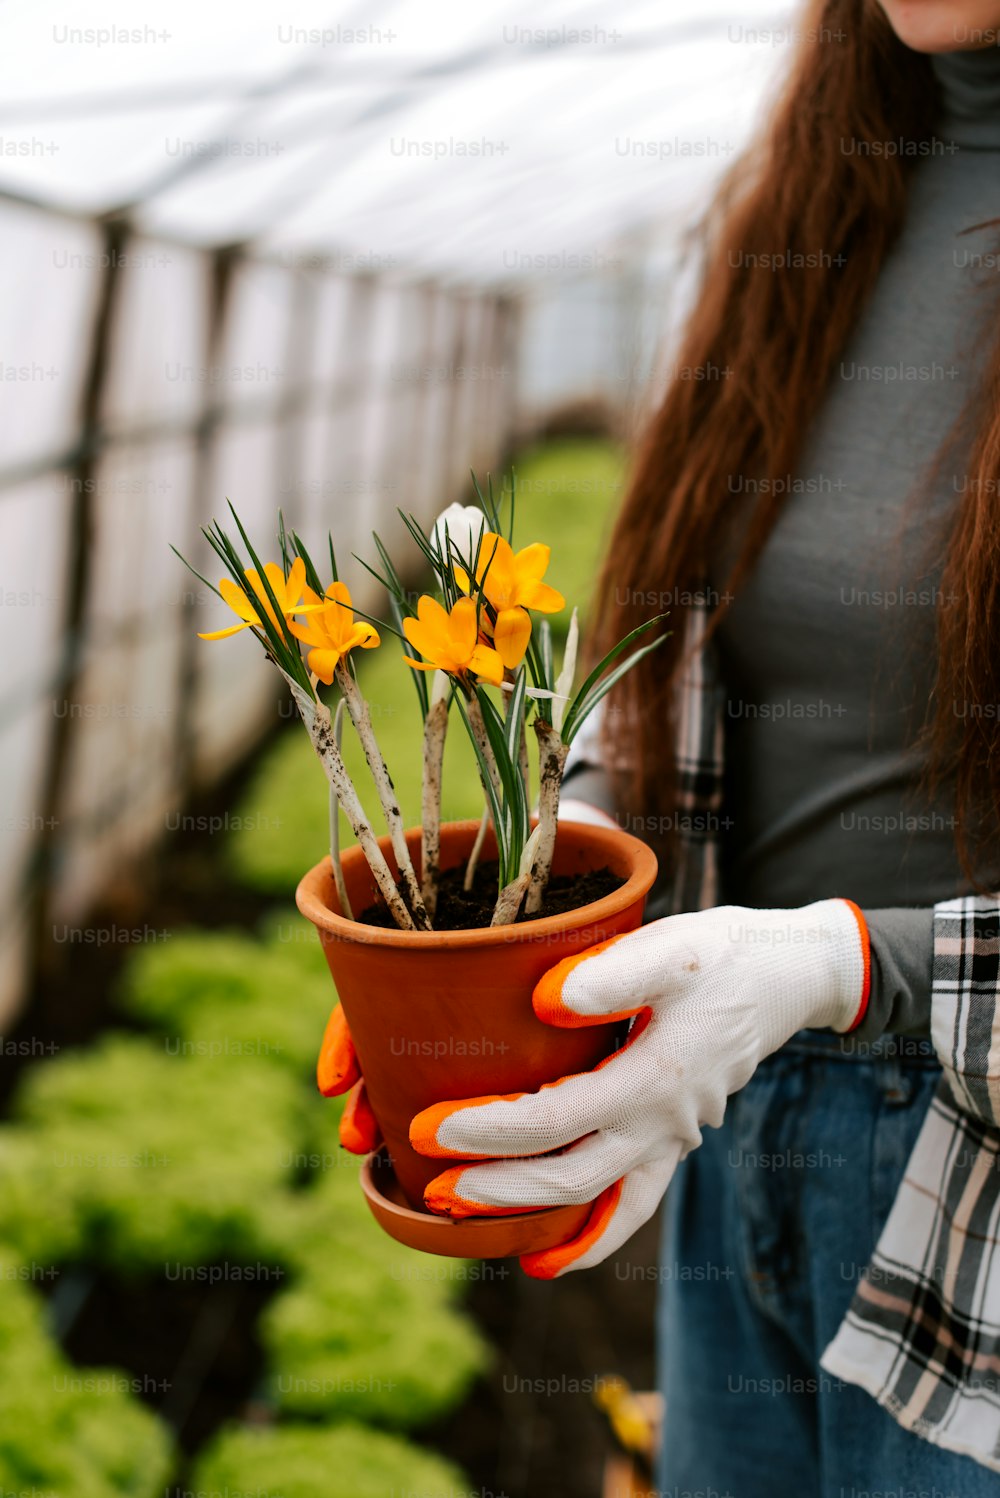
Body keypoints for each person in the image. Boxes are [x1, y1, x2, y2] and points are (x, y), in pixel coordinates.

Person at [402, 2, 1000, 1492]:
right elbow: (699, 668)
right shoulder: (826, 197)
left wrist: (848, 967)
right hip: (730, 1112)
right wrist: (542, 911)